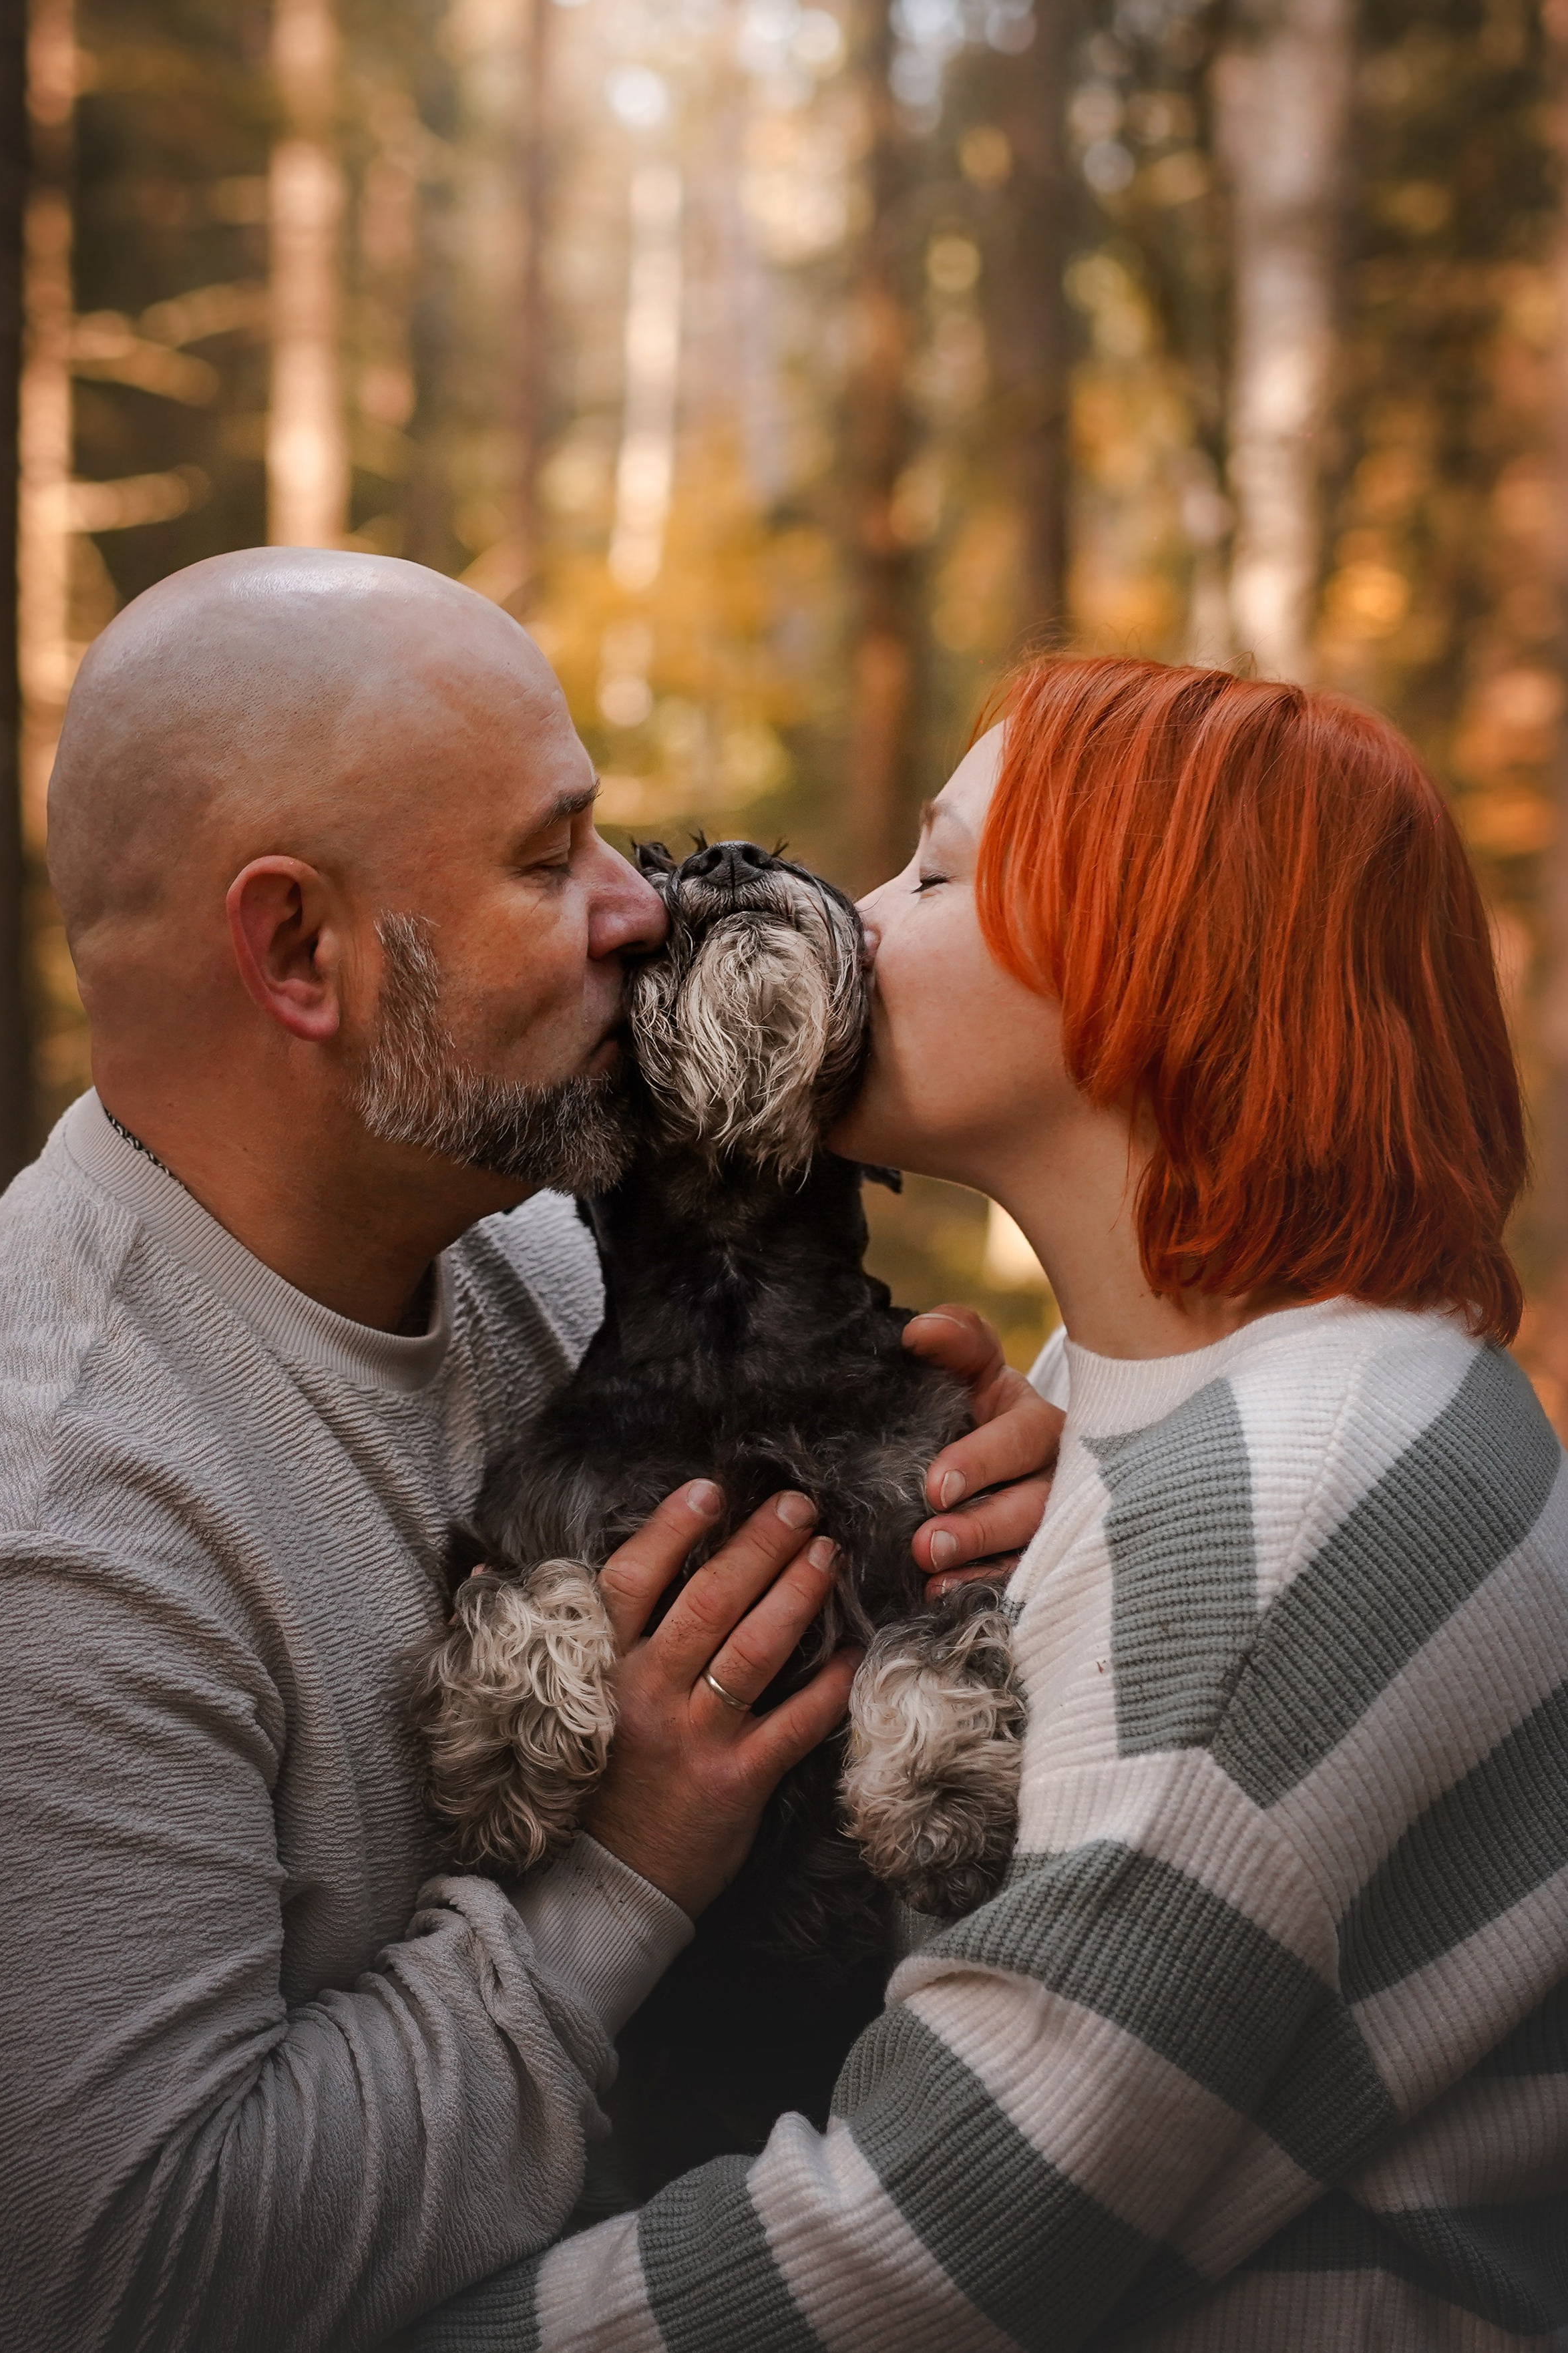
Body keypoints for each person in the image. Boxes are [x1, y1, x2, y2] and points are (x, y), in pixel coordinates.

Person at [0, 549, 1059, 2353]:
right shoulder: (28, 1529)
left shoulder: (531, 1239)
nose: (636, 908)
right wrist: (624, 1871)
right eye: (545, 856)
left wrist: (1004, 1508)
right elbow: (143, 2285)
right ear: (299, 953)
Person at [415, 656, 1568, 2352]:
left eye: (934, 876)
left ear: (1146, 966)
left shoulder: (1302, 1474)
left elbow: (933, 2242)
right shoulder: (1183, 1403)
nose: (861, 925)